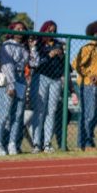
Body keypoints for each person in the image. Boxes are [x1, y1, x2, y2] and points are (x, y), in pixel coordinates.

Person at [0, 21, 31, 156]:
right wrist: (11, 84)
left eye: (23, 29)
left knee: (18, 114)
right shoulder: (7, 45)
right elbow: (7, 66)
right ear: (12, 30)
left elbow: (33, 63)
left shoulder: (25, 47)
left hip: (21, 79)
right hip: (9, 78)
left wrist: (33, 48)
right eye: (18, 28)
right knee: (5, 113)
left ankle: (12, 143)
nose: (20, 31)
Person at [29, 21, 66, 152]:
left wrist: (61, 55)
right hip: (41, 77)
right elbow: (34, 63)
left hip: (55, 79)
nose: (52, 33)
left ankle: (47, 143)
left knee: (51, 111)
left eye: (54, 31)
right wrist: (49, 55)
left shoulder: (58, 44)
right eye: (49, 30)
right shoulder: (38, 43)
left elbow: (64, 64)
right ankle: (36, 143)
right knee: (40, 111)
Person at [72, 20, 97, 151]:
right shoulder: (88, 48)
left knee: (96, 114)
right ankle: (84, 143)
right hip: (88, 85)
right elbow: (76, 64)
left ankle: (89, 140)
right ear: (96, 32)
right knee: (89, 114)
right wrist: (88, 75)